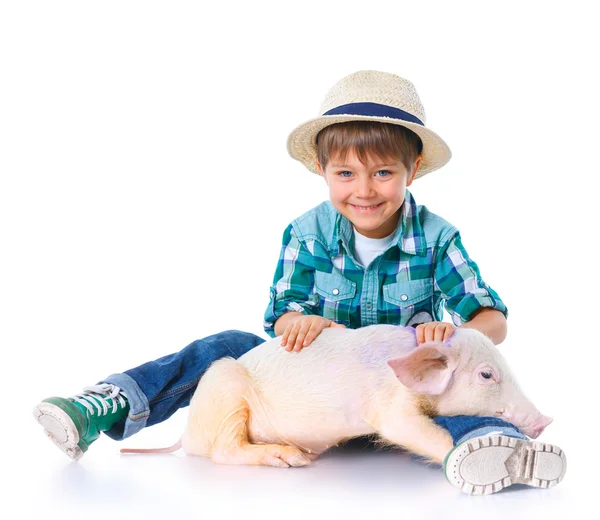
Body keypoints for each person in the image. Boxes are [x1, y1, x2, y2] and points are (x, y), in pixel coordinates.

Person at [33, 70, 566, 495]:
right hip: (306, 394)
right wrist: (299, 321)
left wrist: (455, 340)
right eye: (346, 173)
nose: (364, 190)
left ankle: (499, 449)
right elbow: (282, 314)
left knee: (460, 399)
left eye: (383, 172)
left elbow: (489, 319)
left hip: (392, 406)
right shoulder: (307, 233)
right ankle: (107, 404)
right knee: (227, 348)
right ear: (321, 168)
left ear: (413, 168)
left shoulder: (437, 237)